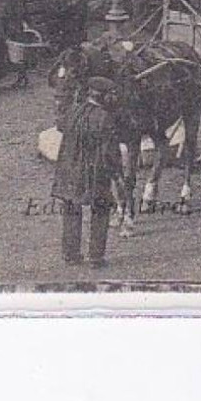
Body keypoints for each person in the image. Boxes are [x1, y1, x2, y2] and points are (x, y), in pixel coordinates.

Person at [51, 75, 121, 268]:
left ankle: (70, 255)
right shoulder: (105, 118)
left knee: (71, 208)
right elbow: (110, 152)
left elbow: (60, 126)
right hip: (94, 173)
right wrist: (117, 174)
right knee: (101, 209)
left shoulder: (73, 111)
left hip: (69, 170)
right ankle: (95, 257)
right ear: (104, 97)